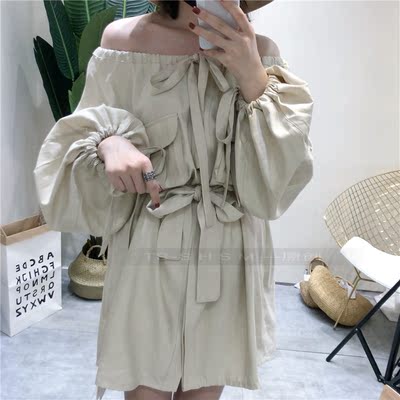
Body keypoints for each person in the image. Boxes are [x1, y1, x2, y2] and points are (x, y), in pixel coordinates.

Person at [33, 1, 314, 399]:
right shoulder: (124, 43)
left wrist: (252, 75)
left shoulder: (261, 51)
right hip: (149, 240)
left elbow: (282, 175)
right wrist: (108, 143)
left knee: (203, 389)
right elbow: (78, 135)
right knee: (144, 388)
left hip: (228, 248)